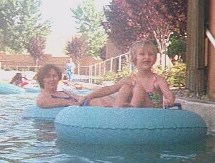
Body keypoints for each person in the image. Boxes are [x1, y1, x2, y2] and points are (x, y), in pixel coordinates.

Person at [79, 40, 175, 108]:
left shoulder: (158, 80)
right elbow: (109, 89)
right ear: (134, 58)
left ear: (155, 58)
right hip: (135, 116)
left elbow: (168, 93)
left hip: (151, 115)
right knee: (125, 87)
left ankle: (131, 111)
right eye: (142, 54)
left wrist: (169, 100)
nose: (147, 57)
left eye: (150, 54)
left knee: (138, 88)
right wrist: (89, 96)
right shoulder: (130, 79)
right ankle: (116, 112)